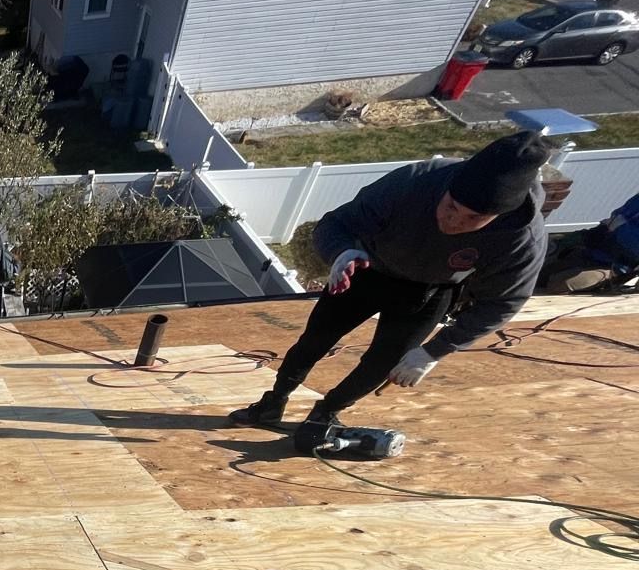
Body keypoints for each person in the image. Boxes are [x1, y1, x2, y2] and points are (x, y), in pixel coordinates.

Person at [231, 129, 551, 429]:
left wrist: (435, 351)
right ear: (447, 188)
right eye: (451, 207)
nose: (454, 222)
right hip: (367, 269)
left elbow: (503, 301)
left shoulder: (522, 239)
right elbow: (335, 224)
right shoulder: (415, 182)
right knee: (312, 342)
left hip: (428, 292)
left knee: (383, 363)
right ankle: (273, 402)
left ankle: (326, 413)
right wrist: (341, 253)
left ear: (499, 216)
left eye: (474, 219)